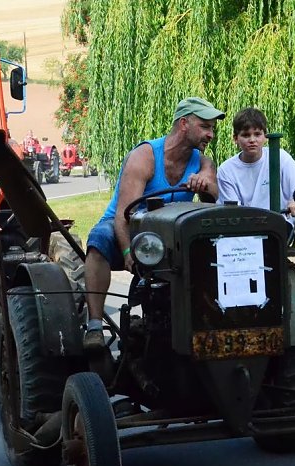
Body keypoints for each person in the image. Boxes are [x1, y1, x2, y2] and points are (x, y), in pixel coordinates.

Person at [83, 97, 225, 350]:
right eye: (205, 126)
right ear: (184, 124)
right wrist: (128, 252)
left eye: (212, 128)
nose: (210, 134)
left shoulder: (202, 161)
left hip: (169, 232)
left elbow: (213, 191)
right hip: (128, 226)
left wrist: (205, 183)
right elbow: (123, 215)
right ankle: (94, 325)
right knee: (99, 241)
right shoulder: (145, 157)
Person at [217, 107, 295, 218]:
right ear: (235, 138)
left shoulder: (280, 157)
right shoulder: (225, 170)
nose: (252, 140)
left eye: (257, 134)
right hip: (242, 232)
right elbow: (232, 215)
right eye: (246, 135)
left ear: (265, 136)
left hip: (280, 229)